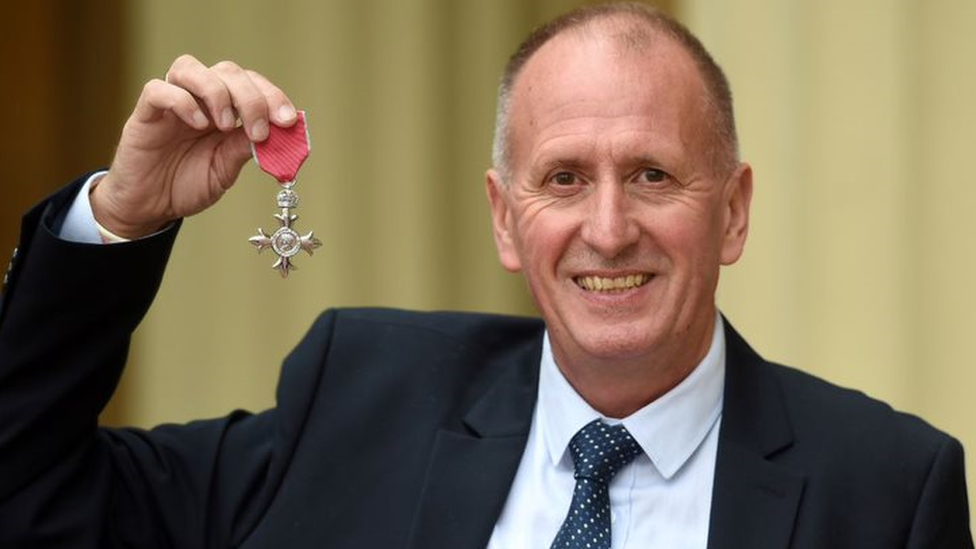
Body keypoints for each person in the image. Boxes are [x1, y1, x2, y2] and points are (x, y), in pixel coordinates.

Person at [0, 3, 971, 548]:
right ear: (507, 220)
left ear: (735, 211)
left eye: (651, 174)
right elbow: (30, 495)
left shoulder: (883, 489)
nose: (606, 227)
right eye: (561, 179)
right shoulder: (363, 400)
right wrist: (121, 220)